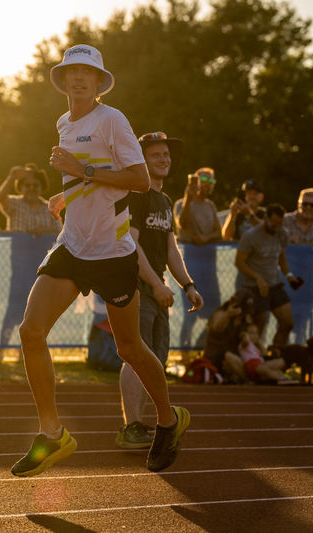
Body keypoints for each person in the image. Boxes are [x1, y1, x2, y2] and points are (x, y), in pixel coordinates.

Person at [10, 44, 190, 478]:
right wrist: (66, 192)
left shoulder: (112, 119)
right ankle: (52, 434)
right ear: (63, 79)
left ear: (99, 81)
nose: (78, 78)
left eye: (87, 73)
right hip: (73, 245)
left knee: (130, 348)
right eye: (72, 71)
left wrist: (82, 172)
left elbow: (140, 180)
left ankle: (168, 420)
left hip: (112, 252)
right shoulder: (63, 122)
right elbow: (85, 176)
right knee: (31, 331)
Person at [116, 131, 203, 449]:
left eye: (166, 154)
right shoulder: (136, 195)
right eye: (155, 155)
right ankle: (132, 426)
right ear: (142, 160)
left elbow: (171, 249)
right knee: (136, 355)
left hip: (158, 288)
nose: (163, 159)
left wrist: (187, 285)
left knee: (155, 358)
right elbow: (130, 243)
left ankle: (142, 426)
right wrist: (154, 283)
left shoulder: (165, 201)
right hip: (136, 285)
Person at [0, 163, 61, 362]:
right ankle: (1, 351)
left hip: (40, 266)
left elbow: (61, 232)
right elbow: (0, 198)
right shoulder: (15, 204)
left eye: (35, 185)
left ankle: (25, 353)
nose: (31, 189)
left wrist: (45, 234)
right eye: (27, 185)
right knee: (13, 306)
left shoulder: (48, 207)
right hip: (20, 263)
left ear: (41, 187)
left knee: (34, 309)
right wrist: (11, 175)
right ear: (21, 187)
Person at [235, 203, 300, 348]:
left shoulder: (281, 233)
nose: (276, 227)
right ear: (265, 219)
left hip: (274, 284)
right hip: (254, 286)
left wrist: (289, 275)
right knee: (258, 326)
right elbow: (239, 262)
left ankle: (276, 353)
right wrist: (258, 278)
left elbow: (281, 258)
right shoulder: (251, 236)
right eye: (273, 223)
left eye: (279, 224)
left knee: (287, 323)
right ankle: (254, 358)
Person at [173, 167, 222, 347]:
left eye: (211, 181)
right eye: (204, 181)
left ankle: (203, 347)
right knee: (190, 312)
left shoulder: (210, 205)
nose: (208, 185)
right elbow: (181, 223)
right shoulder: (181, 202)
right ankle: (183, 349)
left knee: (214, 310)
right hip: (189, 263)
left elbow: (219, 232)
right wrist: (188, 198)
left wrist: (205, 238)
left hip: (209, 264)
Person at [283, 188, 313, 343]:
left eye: (312, 205)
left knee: (304, 312)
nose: (308, 208)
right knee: (286, 312)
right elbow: (275, 243)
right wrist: (288, 241)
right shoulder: (286, 220)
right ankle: (283, 349)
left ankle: (300, 346)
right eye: (304, 204)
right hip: (288, 273)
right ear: (298, 204)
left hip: (307, 275)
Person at [203, 289, 255, 383]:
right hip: (216, 357)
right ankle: (248, 381)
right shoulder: (221, 313)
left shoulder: (243, 320)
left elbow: (248, 340)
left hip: (236, 356)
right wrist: (228, 314)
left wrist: (246, 334)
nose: (243, 314)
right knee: (229, 356)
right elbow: (216, 327)